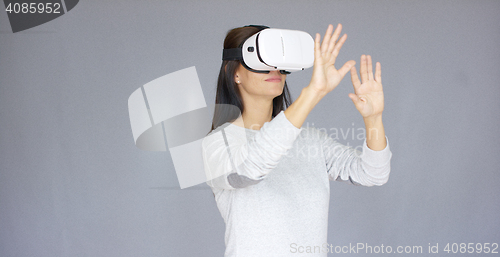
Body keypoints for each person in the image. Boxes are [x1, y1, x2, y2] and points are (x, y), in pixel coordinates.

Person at [202, 24, 392, 257]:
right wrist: (313, 92)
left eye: (278, 61)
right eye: (262, 61)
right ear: (235, 73)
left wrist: (373, 119)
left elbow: (374, 173)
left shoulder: (311, 141)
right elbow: (252, 168)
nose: (274, 69)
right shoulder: (218, 144)